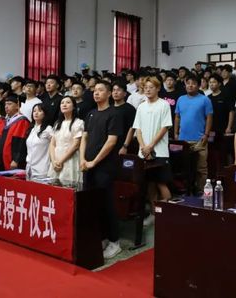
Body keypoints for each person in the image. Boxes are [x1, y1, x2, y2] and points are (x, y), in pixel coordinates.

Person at [80, 82, 124, 259]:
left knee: (107, 203)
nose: (96, 93)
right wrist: (83, 159)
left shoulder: (114, 114)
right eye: (95, 91)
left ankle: (115, 242)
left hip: (105, 167)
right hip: (88, 165)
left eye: (100, 90)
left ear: (109, 94)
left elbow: (111, 141)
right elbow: (84, 137)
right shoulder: (90, 114)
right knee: (92, 203)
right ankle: (102, 237)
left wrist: (94, 161)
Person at [132, 76, 173, 226]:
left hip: (159, 151)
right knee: (149, 184)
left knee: (161, 183)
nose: (148, 90)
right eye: (145, 88)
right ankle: (154, 214)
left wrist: (151, 146)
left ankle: (168, 215)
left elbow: (165, 127)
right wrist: (143, 147)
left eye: (151, 87)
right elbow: (138, 129)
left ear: (158, 88)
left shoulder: (164, 105)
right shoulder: (141, 106)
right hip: (143, 152)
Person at [175, 75, 213, 192]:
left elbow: (209, 118)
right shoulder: (180, 99)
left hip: (199, 140)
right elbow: (177, 117)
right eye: (188, 83)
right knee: (184, 168)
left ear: (198, 85)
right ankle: (186, 191)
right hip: (183, 140)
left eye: (193, 83)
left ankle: (202, 191)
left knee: (201, 168)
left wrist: (206, 134)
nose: (190, 85)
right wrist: (175, 133)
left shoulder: (205, 100)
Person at [49, 96, 84, 183]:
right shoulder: (57, 124)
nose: (64, 105)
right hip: (56, 160)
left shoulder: (78, 123)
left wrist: (61, 161)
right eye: (62, 103)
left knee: (68, 186)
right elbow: (52, 144)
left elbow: (76, 145)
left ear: (74, 107)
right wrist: (53, 161)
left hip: (70, 160)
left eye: (68, 102)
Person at [0, 94, 29, 171]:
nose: (6, 106)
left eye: (9, 104)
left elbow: (21, 142)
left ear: (17, 106)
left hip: (13, 161)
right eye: (5, 104)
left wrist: (16, 160)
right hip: (2, 159)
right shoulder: (5, 121)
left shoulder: (22, 121)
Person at [26, 103, 54, 179]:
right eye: (34, 111)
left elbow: (54, 146)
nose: (36, 113)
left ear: (45, 113)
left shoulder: (48, 129)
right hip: (29, 169)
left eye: (39, 111)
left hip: (42, 170)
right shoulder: (31, 129)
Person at [113, 82, 137, 155]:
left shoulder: (130, 109)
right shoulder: (109, 108)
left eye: (118, 90)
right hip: (110, 144)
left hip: (123, 145)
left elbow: (132, 128)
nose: (115, 92)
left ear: (125, 94)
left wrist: (125, 146)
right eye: (114, 90)